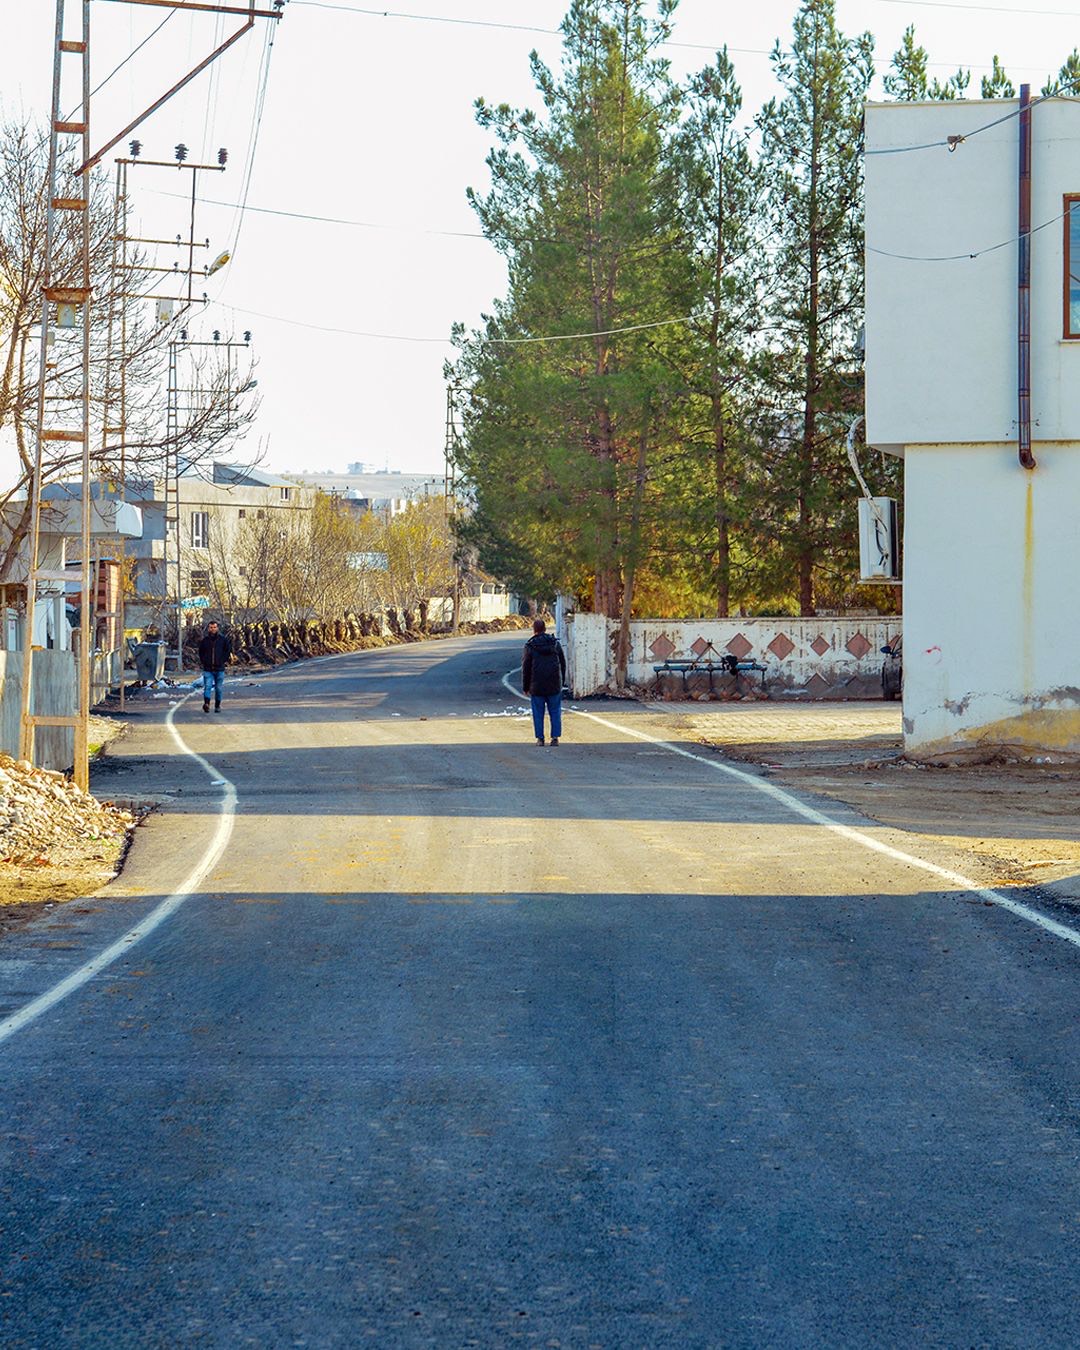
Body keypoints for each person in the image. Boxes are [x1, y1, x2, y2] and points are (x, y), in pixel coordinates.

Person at [522, 617, 567, 746]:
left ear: (534, 630)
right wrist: (562, 681)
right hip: (554, 684)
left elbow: (526, 668)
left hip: (536, 685)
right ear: (545, 629)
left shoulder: (530, 646)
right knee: (555, 711)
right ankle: (555, 738)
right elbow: (562, 663)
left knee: (538, 713)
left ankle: (540, 739)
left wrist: (526, 687)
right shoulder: (555, 644)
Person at [198, 619, 232, 714]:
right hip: (208, 669)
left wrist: (222, 660)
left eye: (214, 627)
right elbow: (201, 652)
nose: (213, 629)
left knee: (218, 688)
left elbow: (227, 651)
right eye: (211, 627)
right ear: (208, 629)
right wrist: (204, 661)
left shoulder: (223, 640)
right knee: (207, 687)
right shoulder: (205, 641)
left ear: (217, 628)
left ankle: (217, 706)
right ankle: (207, 704)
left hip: (219, 668)